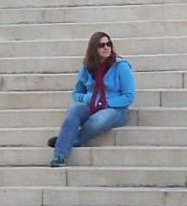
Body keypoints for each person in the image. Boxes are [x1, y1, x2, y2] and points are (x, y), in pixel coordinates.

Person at [48, 31, 134, 168]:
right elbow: (77, 93)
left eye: (108, 44)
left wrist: (104, 102)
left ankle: (72, 140)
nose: (106, 47)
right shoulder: (87, 67)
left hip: (114, 109)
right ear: (94, 48)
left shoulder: (120, 66)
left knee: (99, 120)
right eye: (101, 45)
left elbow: (128, 96)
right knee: (74, 109)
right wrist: (88, 98)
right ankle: (59, 156)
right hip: (91, 104)